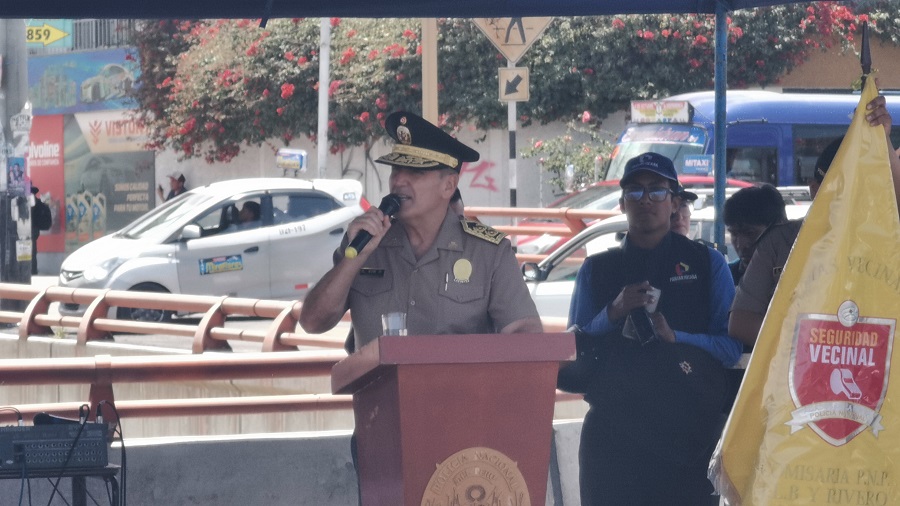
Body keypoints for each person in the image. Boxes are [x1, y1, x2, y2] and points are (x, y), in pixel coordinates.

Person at [567, 152, 741, 506]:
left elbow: (731, 347)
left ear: (675, 202)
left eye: (657, 190)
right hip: (613, 434)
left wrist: (677, 338)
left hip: (688, 435)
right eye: (634, 191)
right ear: (621, 203)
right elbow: (572, 347)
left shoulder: (708, 263)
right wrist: (612, 313)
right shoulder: (597, 269)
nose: (645, 200)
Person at [299, 111, 542, 350]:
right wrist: (355, 259)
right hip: (377, 390)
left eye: (415, 172)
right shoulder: (365, 242)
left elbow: (526, 336)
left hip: (458, 390)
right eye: (396, 169)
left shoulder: (489, 252)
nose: (398, 181)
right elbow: (312, 322)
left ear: (448, 186)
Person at [729, 95, 900, 347]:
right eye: (837, 187)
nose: (849, 197)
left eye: (859, 187)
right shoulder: (780, 242)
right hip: (796, 374)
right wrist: (813, 345)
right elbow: (740, 323)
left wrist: (882, 140)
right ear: (814, 189)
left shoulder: (889, 241)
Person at [722, 184, 788, 287]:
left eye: (750, 233)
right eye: (734, 234)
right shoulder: (725, 278)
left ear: (778, 228)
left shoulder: (801, 272)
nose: (740, 245)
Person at [30, 186, 53, 275]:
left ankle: (32, 271)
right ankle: (33, 271)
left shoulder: (30, 203)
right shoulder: (38, 202)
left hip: (30, 232)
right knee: (33, 253)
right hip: (34, 233)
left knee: (31, 253)